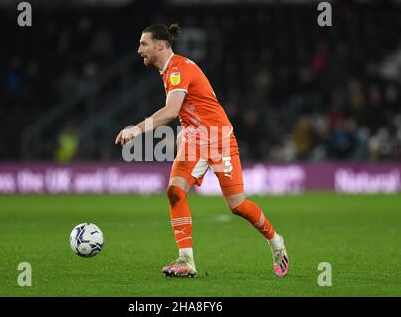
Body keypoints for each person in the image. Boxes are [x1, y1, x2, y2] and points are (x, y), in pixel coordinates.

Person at [115, 23, 289, 278]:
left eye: (144, 44)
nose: (139, 49)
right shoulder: (168, 71)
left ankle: (276, 242)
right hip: (195, 141)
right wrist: (185, 131)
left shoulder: (178, 69)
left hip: (220, 139)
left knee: (238, 206)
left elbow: (171, 111)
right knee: (175, 191)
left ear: (160, 45)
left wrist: (137, 129)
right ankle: (186, 260)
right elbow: (189, 110)